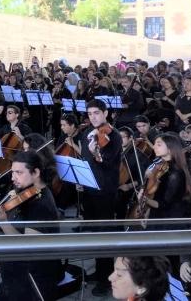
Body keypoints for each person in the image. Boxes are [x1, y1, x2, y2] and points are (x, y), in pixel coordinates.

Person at [0, 150, 62, 301]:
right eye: (12, 172)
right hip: (14, 276)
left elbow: (27, 245)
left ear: (36, 172)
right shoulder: (25, 192)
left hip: (30, 282)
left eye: (18, 172)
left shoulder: (41, 205)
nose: (13, 177)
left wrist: (3, 222)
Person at [80, 99, 122, 296]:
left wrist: (95, 151)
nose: (93, 117)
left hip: (105, 190)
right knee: (93, 234)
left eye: (97, 113)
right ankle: (99, 271)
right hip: (89, 190)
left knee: (104, 234)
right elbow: (85, 161)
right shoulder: (85, 135)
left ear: (105, 113)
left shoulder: (114, 137)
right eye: (90, 114)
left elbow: (106, 162)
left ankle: (106, 279)